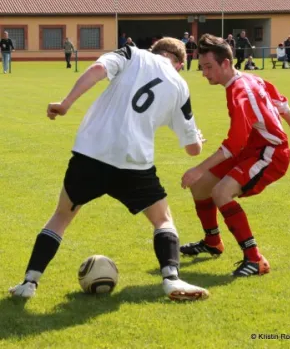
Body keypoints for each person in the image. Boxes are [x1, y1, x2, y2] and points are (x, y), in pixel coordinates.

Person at [9, 38, 209, 301]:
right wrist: (199, 140)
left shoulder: (132, 53)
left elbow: (97, 70)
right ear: (180, 64)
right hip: (134, 161)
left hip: (91, 152)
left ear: (154, 51)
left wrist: (66, 103)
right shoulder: (180, 85)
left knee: (61, 216)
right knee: (162, 219)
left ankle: (29, 283)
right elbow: (193, 149)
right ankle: (171, 279)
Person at [180, 34, 290, 277]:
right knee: (201, 187)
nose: (204, 73)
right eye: (202, 67)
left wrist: (198, 168)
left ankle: (255, 260)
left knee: (221, 192)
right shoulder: (249, 78)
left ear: (226, 63)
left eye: (209, 67)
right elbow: (280, 103)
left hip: (270, 152)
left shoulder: (239, 93)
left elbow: (233, 144)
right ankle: (212, 242)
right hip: (252, 148)